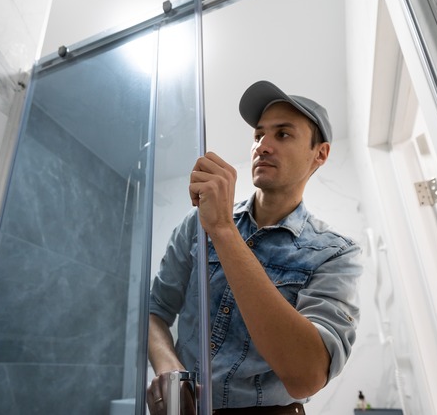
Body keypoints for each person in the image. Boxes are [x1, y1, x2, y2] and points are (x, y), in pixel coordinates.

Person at [147, 80, 362, 414]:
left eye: (283, 134)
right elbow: (154, 311)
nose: (263, 146)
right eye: (258, 135)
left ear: (320, 154)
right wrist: (168, 369)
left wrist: (223, 230)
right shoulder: (196, 223)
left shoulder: (335, 253)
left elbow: (306, 376)